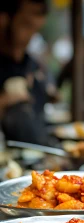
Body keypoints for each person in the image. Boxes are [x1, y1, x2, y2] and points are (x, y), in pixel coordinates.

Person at [0, 0, 54, 145]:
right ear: (4, 19)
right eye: (26, 25)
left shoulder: (32, 65)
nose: (30, 36)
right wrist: (4, 101)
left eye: (35, 29)